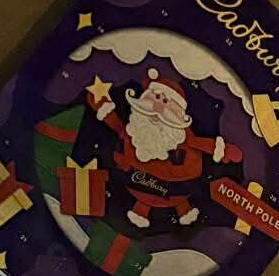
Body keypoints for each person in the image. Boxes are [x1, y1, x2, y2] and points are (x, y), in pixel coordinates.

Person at [94, 67, 242, 228]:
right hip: (138, 180)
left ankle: (183, 210)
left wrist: (224, 151)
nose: (158, 107)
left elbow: (199, 143)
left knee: (178, 193)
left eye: (166, 102)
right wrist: (104, 108)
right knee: (145, 193)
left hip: (177, 183)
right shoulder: (134, 129)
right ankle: (141, 210)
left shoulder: (181, 137)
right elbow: (117, 126)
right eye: (156, 97)